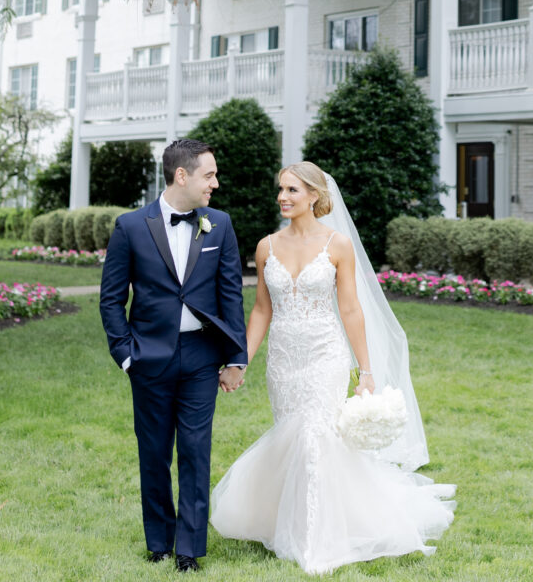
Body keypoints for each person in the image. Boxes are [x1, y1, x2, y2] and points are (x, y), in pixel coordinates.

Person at [210, 161, 455, 575]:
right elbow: (261, 312)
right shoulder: (267, 246)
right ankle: (286, 520)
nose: (283, 197)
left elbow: (351, 309)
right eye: (281, 190)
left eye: (292, 190)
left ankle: (313, 540)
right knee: (292, 437)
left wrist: (366, 371)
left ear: (314, 196)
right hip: (284, 360)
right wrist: (240, 363)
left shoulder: (338, 245)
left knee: (315, 436)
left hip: (325, 355)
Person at [100, 139, 247, 573]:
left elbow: (230, 295)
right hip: (149, 358)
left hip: (202, 357)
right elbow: (111, 300)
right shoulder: (130, 226)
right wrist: (126, 355)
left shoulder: (218, 225)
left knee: (197, 452)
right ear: (181, 175)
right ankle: (159, 541)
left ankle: (189, 550)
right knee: (154, 453)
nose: (215, 184)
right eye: (209, 175)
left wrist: (235, 357)